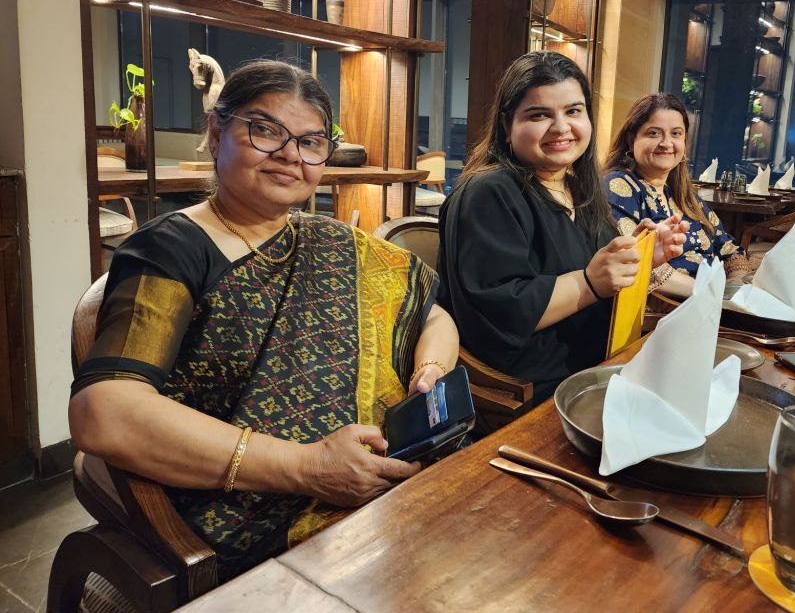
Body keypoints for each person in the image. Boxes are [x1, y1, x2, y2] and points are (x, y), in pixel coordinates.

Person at [69, 60, 459, 581]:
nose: (290, 155)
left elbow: (434, 317)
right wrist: (308, 468)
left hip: (378, 480)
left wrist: (429, 372)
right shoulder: (169, 251)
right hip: (246, 507)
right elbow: (104, 413)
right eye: (266, 130)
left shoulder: (331, 239)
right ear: (216, 133)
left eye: (310, 141)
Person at [437, 52, 684, 403]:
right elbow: (499, 313)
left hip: (601, 365)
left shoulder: (578, 187)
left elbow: (599, 269)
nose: (561, 127)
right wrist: (589, 283)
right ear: (507, 126)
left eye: (573, 111)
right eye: (539, 115)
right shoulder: (488, 192)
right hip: (534, 389)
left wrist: (641, 255)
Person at [603, 93, 751, 299]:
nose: (666, 143)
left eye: (676, 134)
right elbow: (632, 262)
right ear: (631, 140)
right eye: (654, 133)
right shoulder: (618, 187)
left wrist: (739, 290)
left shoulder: (685, 196)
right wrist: (713, 295)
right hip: (669, 309)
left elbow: (730, 250)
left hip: (713, 303)